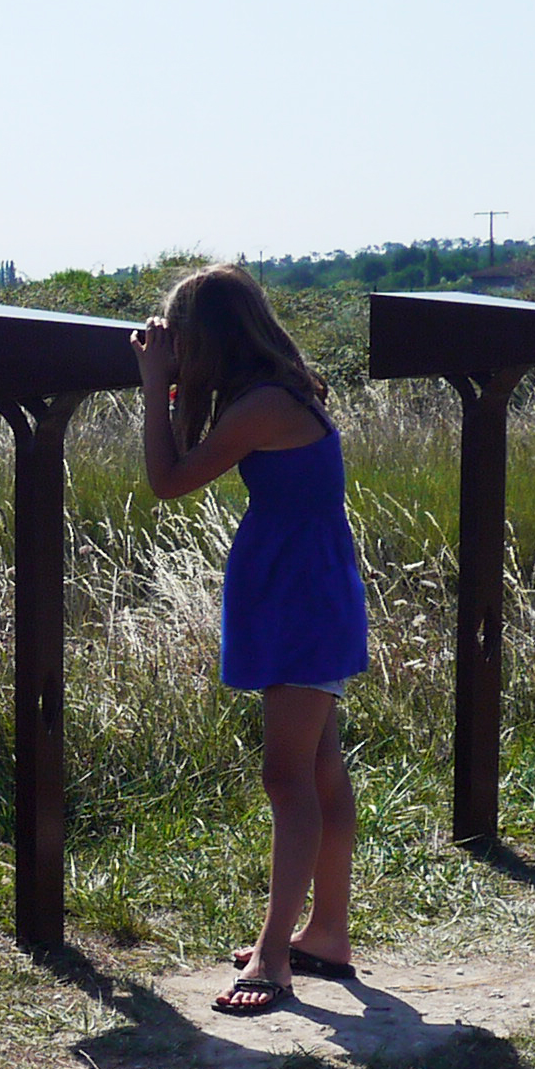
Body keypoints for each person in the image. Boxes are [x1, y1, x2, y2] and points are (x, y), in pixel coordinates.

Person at [133, 264, 371, 1018]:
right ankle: (326, 931)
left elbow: (169, 480)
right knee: (319, 768)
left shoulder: (264, 405)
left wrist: (152, 385)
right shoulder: (274, 394)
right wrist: (175, 388)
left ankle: (277, 956)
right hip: (299, 587)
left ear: (208, 341)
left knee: (286, 777)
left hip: (300, 596)